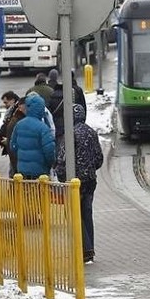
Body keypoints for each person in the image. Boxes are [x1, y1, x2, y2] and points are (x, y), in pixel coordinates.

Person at [55, 104, 103, 264]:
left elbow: (62, 160)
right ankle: (90, 248)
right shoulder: (91, 132)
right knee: (87, 213)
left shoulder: (70, 134)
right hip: (90, 180)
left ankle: (85, 249)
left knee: (75, 213)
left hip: (75, 181)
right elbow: (99, 159)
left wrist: (62, 178)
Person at [9, 94, 56, 180]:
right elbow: (49, 151)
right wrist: (49, 165)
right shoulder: (43, 128)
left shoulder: (19, 125)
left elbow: (13, 146)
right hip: (40, 173)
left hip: (22, 171)